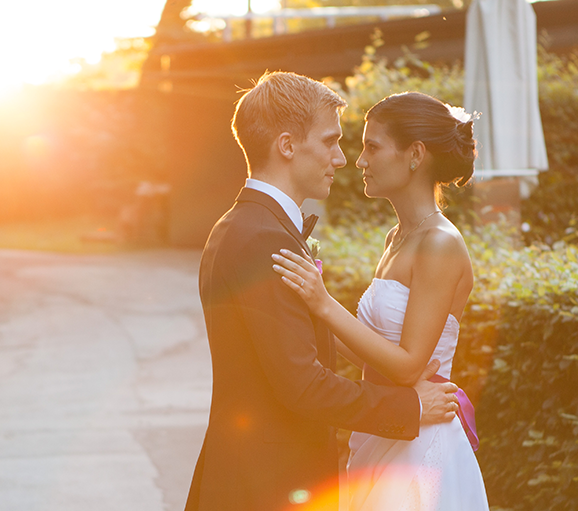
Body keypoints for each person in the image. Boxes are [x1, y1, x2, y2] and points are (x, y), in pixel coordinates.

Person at [185, 73, 461, 511]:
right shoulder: (262, 239)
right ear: (288, 145)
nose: (341, 158)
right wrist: (408, 407)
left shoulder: (252, 227)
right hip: (265, 485)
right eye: (331, 141)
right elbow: (304, 386)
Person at [271, 91, 490, 510]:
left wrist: (323, 303)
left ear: (415, 154)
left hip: (422, 439)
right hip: (383, 430)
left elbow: (409, 365)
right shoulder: (397, 237)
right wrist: (301, 316)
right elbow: (372, 351)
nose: (359, 161)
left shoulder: (440, 244)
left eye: (372, 146)